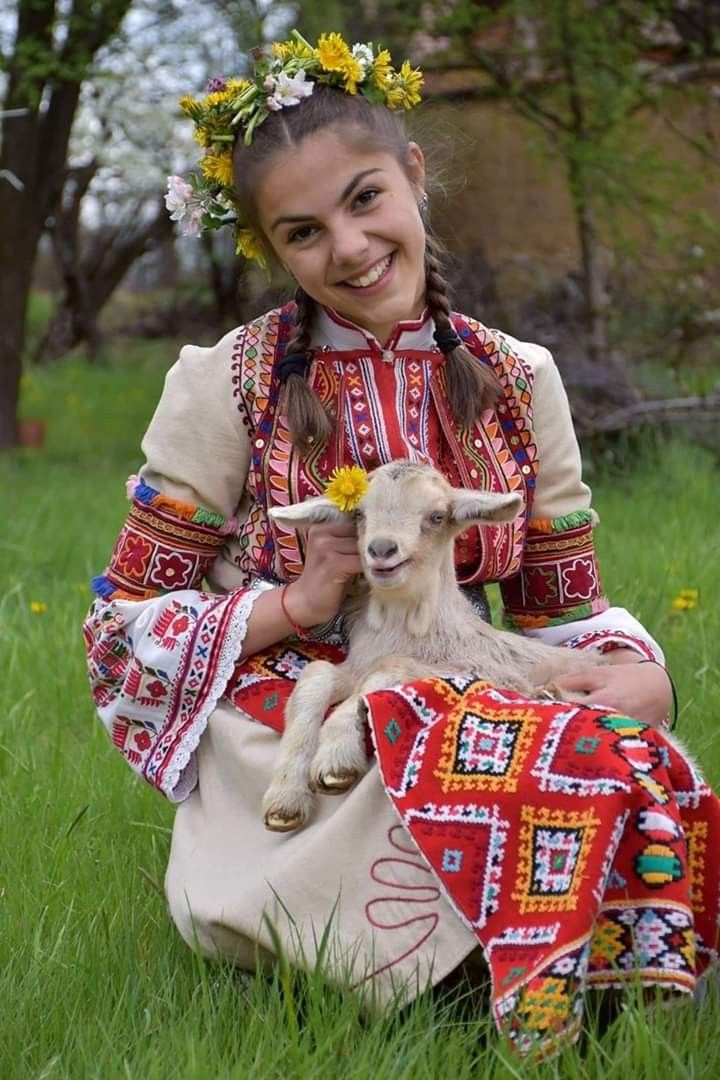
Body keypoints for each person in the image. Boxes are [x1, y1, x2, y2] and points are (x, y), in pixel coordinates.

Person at [84, 31, 720, 1058]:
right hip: (296, 709)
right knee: (404, 727)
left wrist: (635, 676)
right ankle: (416, 971)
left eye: (365, 198)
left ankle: (589, 975)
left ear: (414, 176)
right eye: (303, 231)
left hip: (467, 672)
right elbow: (118, 632)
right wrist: (293, 606)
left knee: (594, 740)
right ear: (271, 249)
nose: (347, 246)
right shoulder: (225, 383)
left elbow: (562, 606)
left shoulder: (517, 378)